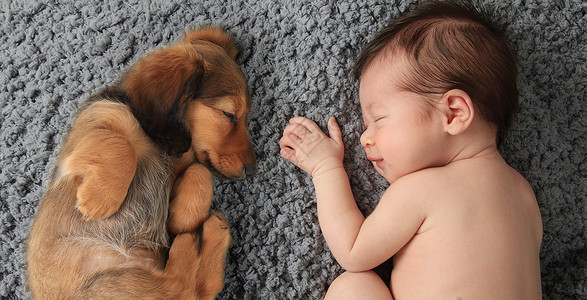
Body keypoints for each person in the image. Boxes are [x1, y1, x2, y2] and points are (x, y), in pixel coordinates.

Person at [279, 0, 543, 299]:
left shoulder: (423, 188)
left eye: (378, 119)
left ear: (453, 114)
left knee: (354, 286)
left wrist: (325, 168)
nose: (366, 137)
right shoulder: (524, 194)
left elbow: (353, 250)